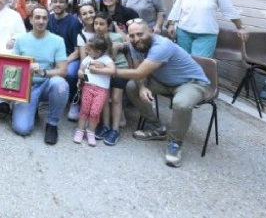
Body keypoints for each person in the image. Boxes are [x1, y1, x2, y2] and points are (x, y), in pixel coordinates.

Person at [90, 19, 209, 167]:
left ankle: (175, 143)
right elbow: (138, 73)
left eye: (140, 34)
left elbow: (139, 72)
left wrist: (108, 70)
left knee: (181, 103)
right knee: (132, 86)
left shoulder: (162, 45)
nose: (136, 39)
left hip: (190, 83)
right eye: (132, 36)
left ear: (151, 32)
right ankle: (156, 127)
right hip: (164, 82)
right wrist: (142, 87)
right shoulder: (134, 45)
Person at [11, 6, 69, 145]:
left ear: (48, 20)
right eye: (37, 17)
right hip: (26, 87)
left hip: (47, 84)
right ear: (31, 20)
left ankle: (52, 124)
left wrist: (43, 72)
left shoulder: (57, 41)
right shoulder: (20, 40)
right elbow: (12, 68)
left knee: (60, 84)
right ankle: (30, 108)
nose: (41, 21)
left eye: (44, 18)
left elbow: (62, 70)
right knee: (22, 129)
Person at [90, 12, 132, 146]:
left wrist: (122, 46)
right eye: (96, 23)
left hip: (119, 69)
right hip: (103, 71)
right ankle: (105, 126)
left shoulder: (116, 37)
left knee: (116, 99)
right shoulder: (93, 40)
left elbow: (130, 46)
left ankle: (115, 130)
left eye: (102, 24)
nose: (98, 26)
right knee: (104, 98)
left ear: (108, 26)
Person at [73, 37, 115, 147]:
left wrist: (96, 70)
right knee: (85, 109)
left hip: (101, 90)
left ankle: (90, 131)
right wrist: (80, 73)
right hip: (88, 86)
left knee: (95, 112)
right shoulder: (87, 59)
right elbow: (81, 69)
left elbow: (112, 70)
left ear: (98, 51)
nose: (86, 50)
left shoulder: (106, 59)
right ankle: (80, 130)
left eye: (89, 49)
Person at [47, 0, 82, 119]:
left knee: (71, 74)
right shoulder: (47, 19)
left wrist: (63, 62)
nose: (58, 4)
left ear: (67, 4)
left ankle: (74, 102)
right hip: (51, 57)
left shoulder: (74, 22)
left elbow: (77, 51)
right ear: (51, 4)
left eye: (61, 2)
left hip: (70, 58)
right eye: (55, 1)